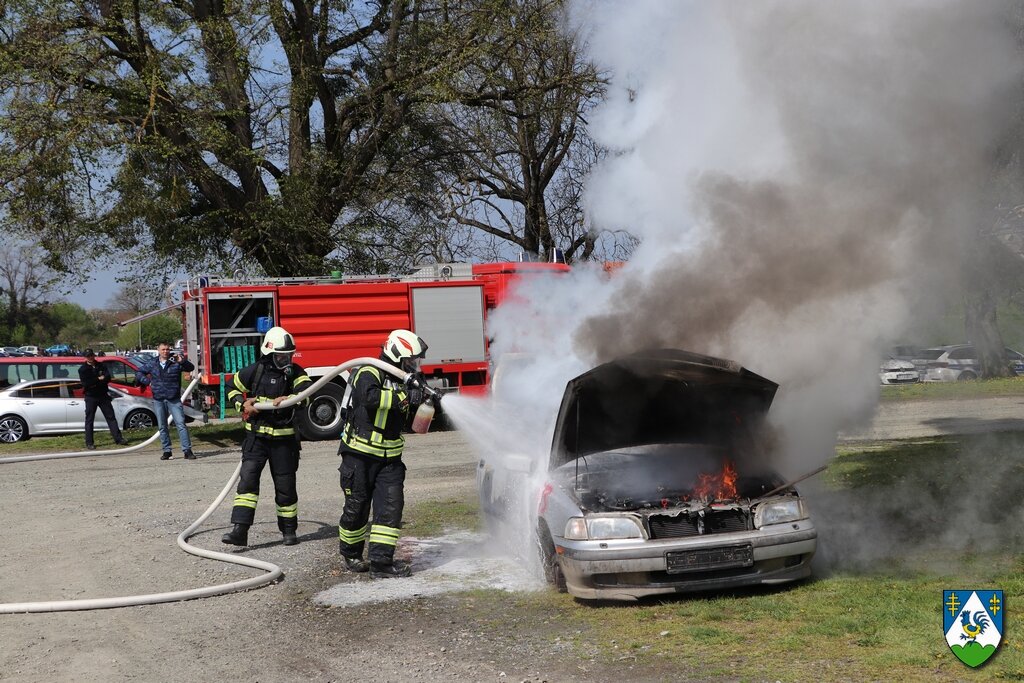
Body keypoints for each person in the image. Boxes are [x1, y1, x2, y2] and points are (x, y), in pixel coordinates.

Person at [337, 329, 428, 578]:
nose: (413, 365)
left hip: (391, 459)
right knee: (357, 507)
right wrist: (405, 396)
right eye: (410, 360)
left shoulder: (408, 378)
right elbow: (369, 398)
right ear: (395, 354)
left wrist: (426, 398)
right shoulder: (369, 371)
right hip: (359, 456)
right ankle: (351, 554)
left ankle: (381, 563)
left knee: (390, 508)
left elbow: (415, 405)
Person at [221, 327, 311, 547]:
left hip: (284, 441)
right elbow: (231, 385)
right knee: (247, 484)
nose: (286, 361)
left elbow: (308, 392)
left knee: (286, 486)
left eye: (289, 356)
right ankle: (239, 531)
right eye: (281, 357)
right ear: (269, 354)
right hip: (256, 440)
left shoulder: (296, 373)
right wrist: (242, 403)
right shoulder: (256, 371)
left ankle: (289, 531)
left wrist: (291, 398)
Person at [135, 342, 196, 460]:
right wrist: (148, 382)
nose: (165, 351)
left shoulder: (175, 361)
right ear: (158, 350)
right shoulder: (152, 363)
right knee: (162, 425)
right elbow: (139, 372)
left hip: (173, 398)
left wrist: (182, 361)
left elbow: (191, 368)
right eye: (163, 349)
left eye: (167, 349)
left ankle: (187, 450)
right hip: (158, 398)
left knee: (181, 424)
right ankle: (167, 450)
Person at [78, 349, 127, 450]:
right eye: (88, 356)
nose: (90, 357)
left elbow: (108, 377)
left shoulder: (101, 366)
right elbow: (86, 383)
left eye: (91, 355)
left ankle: (118, 438)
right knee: (89, 420)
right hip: (91, 396)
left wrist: (98, 380)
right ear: (85, 357)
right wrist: (98, 379)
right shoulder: (82, 369)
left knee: (111, 417)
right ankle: (89, 442)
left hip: (103, 395)